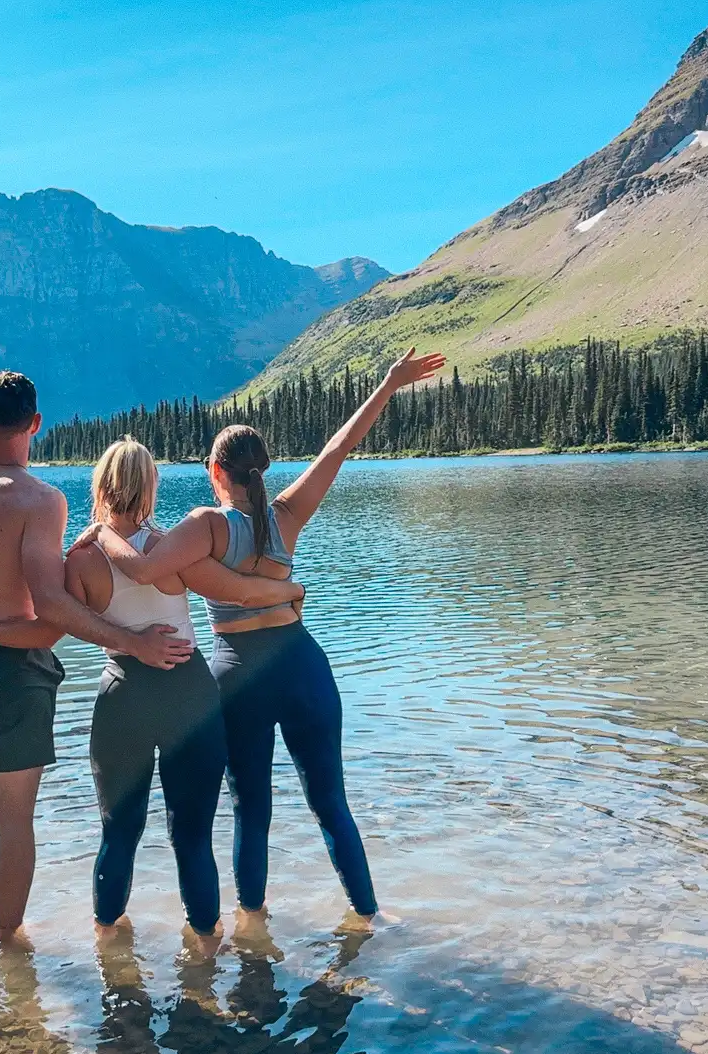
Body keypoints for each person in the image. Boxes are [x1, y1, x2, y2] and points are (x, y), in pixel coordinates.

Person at [82, 347, 445, 935]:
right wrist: (388, 383)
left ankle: (252, 923)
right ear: (264, 469)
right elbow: (338, 448)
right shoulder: (287, 514)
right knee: (331, 802)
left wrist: (101, 528)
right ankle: (368, 914)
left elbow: (146, 570)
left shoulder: (204, 526)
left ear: (215, 471)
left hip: (237, 675)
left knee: (251, 809)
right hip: (302, 664)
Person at [0, 370, 193, 942]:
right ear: (36, 426)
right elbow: (50, 607)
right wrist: (132, 642)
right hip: (19, 674)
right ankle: (9, 942)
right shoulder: (41, 501)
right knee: (14, 819)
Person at [64, 438, 304, 954]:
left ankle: (109, 948)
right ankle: (205, 952)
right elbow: (236, 589)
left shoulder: (81, 557)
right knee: (192, 836)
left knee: (118, 832)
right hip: (189, 694)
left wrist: (125, 640)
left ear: (100, 484)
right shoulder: (175, 549)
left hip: (123, 693)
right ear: (151, 486)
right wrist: (289, 592)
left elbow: (69, 621)